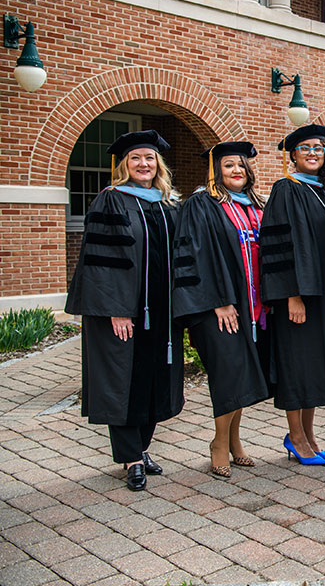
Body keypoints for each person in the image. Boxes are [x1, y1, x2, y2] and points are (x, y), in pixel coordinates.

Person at [65, 130, 184, 491]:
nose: (143, 165)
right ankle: (130, 458)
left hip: (162, 313)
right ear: (124, 165)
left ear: (158, 164)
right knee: (124, 382)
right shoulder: (111, 202)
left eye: (149, 159)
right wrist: (117, 310)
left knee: (154, 381)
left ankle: (143, 447)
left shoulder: (168, 204)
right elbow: (101, 262)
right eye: (135, 159)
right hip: (125, 313)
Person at [173, 141, 272, 477]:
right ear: (216, 170)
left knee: (240, 373)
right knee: (229, 372)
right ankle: (218, 443)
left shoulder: (257, 205)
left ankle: (235, 441)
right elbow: (195, 257)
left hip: (252, 306)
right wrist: (220, 301)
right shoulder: (202, 205)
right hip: (217, 306)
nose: (236, 171)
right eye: (229, 165)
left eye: (241, 165)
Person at [260, 124, 325, 466]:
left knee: (312, 367)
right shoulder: (286, 189)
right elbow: (277, 245)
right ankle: (295, 437)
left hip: (321, 295)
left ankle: (309, 436)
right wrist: (291, 294)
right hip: (298, 297)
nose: (312, 153)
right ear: (292, 155)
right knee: (296, 366)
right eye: (305, 148)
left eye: (318, 148)